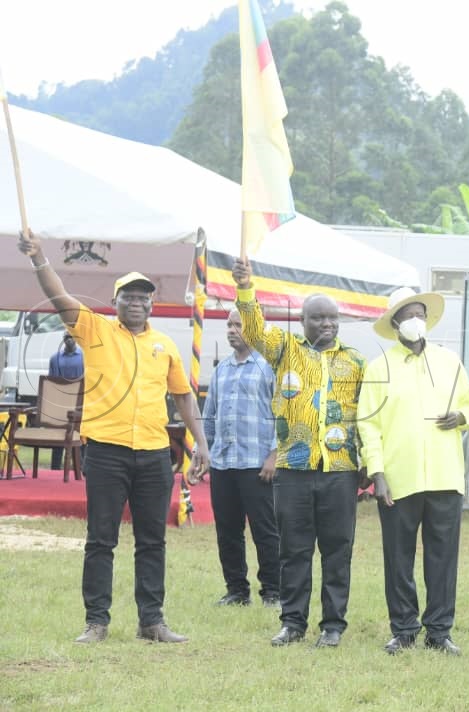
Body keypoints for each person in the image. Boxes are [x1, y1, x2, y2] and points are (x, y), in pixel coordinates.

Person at [17, 230, 209, 644]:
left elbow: (183, 396)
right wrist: (38, 259)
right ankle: (97, 622)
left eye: (144, 297)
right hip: (106, 453)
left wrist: (202, 445)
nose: (137, 303)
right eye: (129, 297)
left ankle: (152, 622)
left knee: (152, 540)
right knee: (101, 539)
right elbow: (59, 295)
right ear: (116, 302)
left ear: (152, 304)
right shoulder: (94, 330)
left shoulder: (165, 345)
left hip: (156, 455)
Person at [232, 258, 367, 649]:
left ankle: (333, 625)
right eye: (318, 318)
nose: (327, 324)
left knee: (338, 550)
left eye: (332, 318)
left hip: (340, 470)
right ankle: (292, 623)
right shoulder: (285, 350)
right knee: (294, 549)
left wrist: (367, 463)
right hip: (293, 467)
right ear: (303, 322)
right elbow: (254, 330)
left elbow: (369, 417)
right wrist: (246, 288)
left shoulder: (355, 361)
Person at [357, 287, 469, 656]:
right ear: (395, 324)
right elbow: (367, 425)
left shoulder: (449, 361)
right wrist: (377, 472)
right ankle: (404, 629)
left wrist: (461, 417)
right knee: (398, 556)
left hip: (444, 475)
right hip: (398, 478)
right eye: (408, 315)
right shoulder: (379, 368)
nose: (415, 321)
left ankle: (439, 632)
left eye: (420, 314)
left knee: (443, 557)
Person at [198, 310, 280, 608]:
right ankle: (236, 590)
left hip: (258, 463)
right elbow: (209, 416)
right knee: (228, 530)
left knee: (265, 529)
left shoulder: (269, 367)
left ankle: (273, 591)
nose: (232, 330)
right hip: (223, 463)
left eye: (239, 325)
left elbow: (283, 414)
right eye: (229, 325)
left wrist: (274, 453)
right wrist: (202, 450)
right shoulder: (222, 371)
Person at [48, 332, 85, 470]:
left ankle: (80, 468)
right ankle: (55, 468)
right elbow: (51, 382)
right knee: (59, 437)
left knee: (79, 437)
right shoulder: (55, 358)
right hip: (60, 403)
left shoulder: (84, 358)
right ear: (63, 340)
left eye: (72, 336)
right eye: (66, 337)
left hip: (79, 403)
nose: (69, 340)